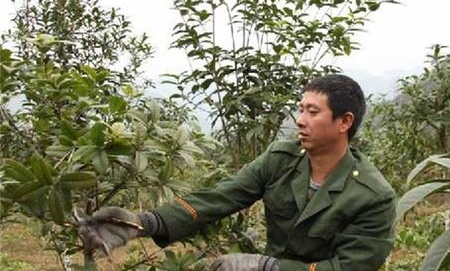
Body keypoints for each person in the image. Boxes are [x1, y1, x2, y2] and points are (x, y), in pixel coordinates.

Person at [77, 74, 396, 271]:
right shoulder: (283, 158)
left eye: (313, 112)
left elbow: (347, 268)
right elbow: (221, 197)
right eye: (300, 109)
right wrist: (146, 223)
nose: (300, 119)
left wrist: (267, 267)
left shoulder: (372, 196)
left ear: (344, 122)